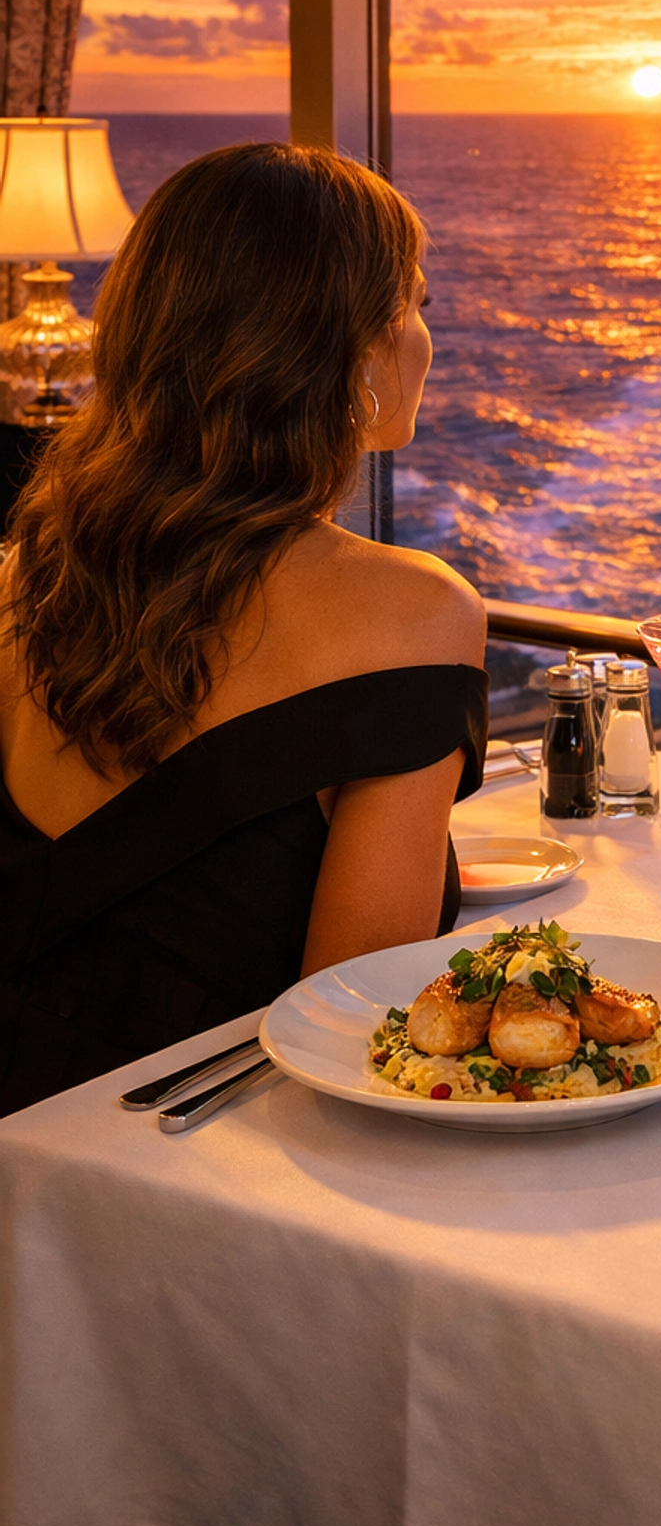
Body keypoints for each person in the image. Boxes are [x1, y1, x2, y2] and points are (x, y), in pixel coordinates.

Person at [0, 143, 488, 1115]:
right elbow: (362, 1025)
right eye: (417, 305)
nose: (427, 336)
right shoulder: (416, 611)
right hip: (187, 1172)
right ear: (350, 352)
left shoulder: (26, 575)